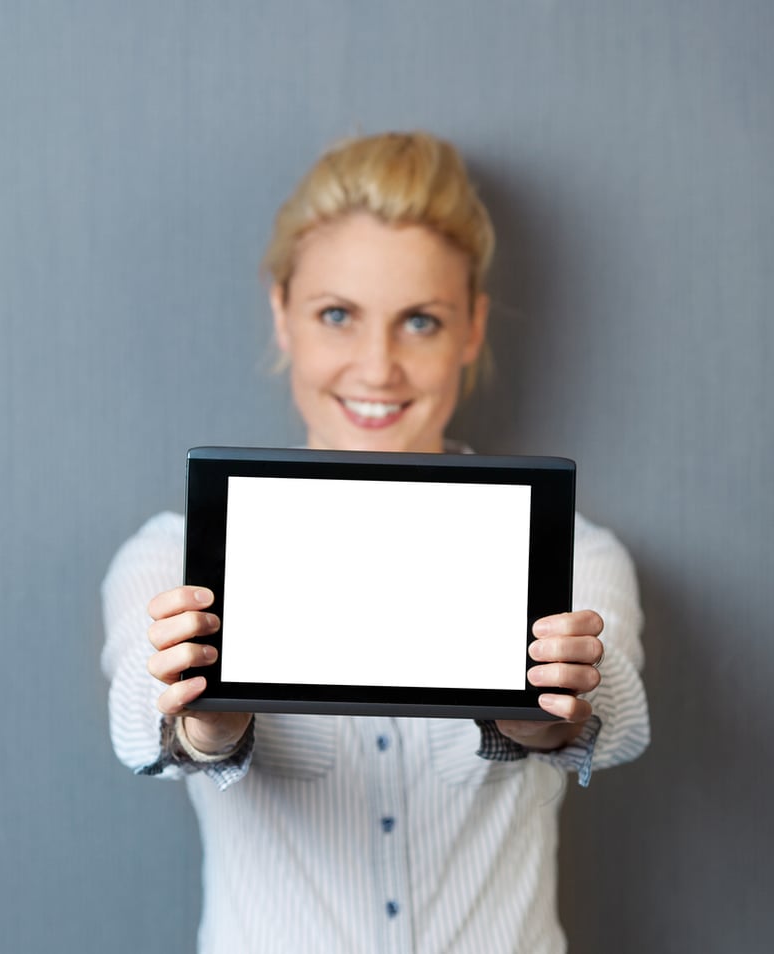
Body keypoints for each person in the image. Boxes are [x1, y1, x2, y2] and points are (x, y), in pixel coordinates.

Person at [101, 131, 649, 954]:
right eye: (337, 315)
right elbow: (140, 725)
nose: (378, 367)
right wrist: (203, 728)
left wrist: (550, 720)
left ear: (471, 331)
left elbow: (620, 718)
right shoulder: (176, 556)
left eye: (420, 322)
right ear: (281, 314)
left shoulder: (572, 552)